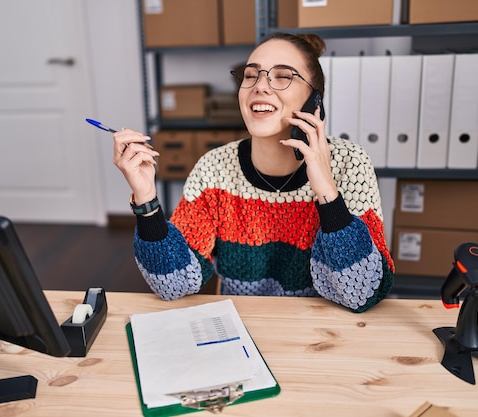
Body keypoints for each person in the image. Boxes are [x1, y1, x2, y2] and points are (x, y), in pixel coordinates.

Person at [112, 32, 394, 313]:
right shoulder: (214, 169)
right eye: (251, 75)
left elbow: (361, 292)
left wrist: (328, 194)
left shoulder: (349, 163)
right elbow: (173, 284)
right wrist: (146, 199)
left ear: (314, 101)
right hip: (245, 329)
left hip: (326, 334)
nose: (260, 86)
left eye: (283, 76)